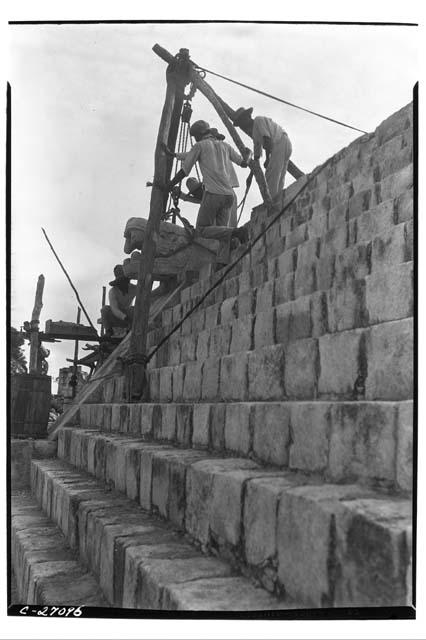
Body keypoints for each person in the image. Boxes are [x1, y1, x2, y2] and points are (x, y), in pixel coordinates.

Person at [166, 120, 249, 243]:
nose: (194, 139)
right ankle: (223, 261)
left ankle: (236, 232)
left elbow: (184, 171)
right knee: (221, 232)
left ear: (199, 134)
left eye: (194, 136)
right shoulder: (225, 146)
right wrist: (249, 154)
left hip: (214, 193)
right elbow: (244, 163)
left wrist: (168, 185)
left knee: (201, 230)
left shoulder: (199, 146)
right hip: (229, 195)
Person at [232, 107, 292, 199]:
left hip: (280, 142)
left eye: (241, 122)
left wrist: (268, 159)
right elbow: (256, 157)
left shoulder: (258, 121)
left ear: (248, 117)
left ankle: (272, 204)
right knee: (279, 178)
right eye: (240, 124)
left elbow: (267, 140)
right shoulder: (255, 135)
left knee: (270, 175)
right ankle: (278, 201)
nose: (241, 126)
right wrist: (251, 176)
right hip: (284, 144)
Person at [101, 265, 137, 337]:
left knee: (133, 309)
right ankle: (109, 331)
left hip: (128, 317)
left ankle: (129, 330)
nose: (123, 285)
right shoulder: (113, 291)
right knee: (104, 309)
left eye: (124, 282)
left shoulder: (134, 288)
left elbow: (148, 294)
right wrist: (125, 318)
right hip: (116, 317)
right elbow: (115, 309)